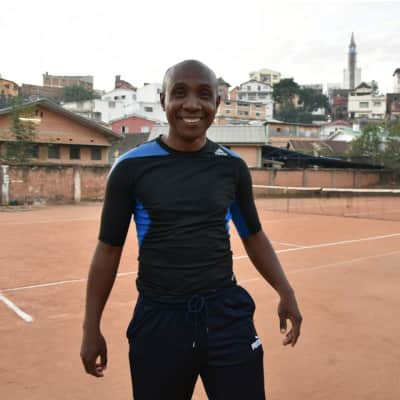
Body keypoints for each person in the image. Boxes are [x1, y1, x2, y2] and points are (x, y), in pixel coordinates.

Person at [80, 59, 302, 400]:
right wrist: (90, 326)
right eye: (180, 93)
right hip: (159, 320)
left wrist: (286, 291)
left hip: (225, 316)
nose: (192, 104)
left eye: (204, 94)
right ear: (163, 99)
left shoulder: (232, 167)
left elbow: (253, 235)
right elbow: (108, 250)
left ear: (217, 103)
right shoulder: (130, 168)